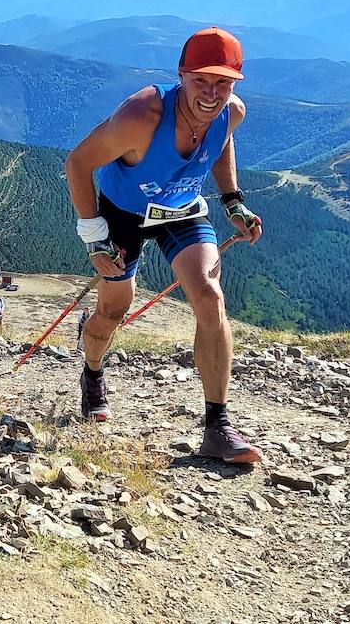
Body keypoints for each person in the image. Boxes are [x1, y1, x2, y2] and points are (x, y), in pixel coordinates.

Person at [63, 27, 264, 464]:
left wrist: (233, 201)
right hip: (124, 215)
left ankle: (217, 426)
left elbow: (221, 141)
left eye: (223, 83)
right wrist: (93, 236)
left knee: (210, 298)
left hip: (182, 210)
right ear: (181, 74)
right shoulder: (142, 115)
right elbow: (77, 162)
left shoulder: (232, 112)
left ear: (234, 82)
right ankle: (92, 373)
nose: (211, 94)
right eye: (201, 81)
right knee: (114, 309)